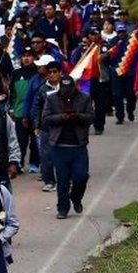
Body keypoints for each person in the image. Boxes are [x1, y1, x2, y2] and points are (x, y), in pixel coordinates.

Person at [43, 76, 94, 219]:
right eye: (64, 90)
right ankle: (62, 208)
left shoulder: (84, 98)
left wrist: (77, 117)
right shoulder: (51, 99)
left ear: (74, 87)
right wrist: (61, 118)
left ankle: (76, 197)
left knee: (81, 176)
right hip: (59, 146)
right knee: (62, 180)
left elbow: (91, 117)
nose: (67, 93)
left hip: (78, 145)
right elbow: (46, 119)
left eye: (69, 90)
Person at [6, 49, 40, 173]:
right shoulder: (16, 74)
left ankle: (34, 163)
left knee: (35, 140)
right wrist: (12, 110)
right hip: (19, 112)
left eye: (29, 56)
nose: (26, 58)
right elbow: (12, 94)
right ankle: (19, 164)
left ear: (34, 58)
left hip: (35, 113)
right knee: (20, 140)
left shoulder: (38, 73)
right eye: (24, 56)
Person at [30, 60, 62, 192]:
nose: (52, 75)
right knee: (46, 155)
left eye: (55, 72)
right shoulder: (42, 89)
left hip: (64, 126)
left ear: (60, 73)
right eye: (50, 72)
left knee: (63, 154)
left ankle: (65, 179)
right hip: (47, 127)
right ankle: (49, 181)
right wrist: (37, 125)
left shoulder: (67, 86)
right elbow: (36, 108)